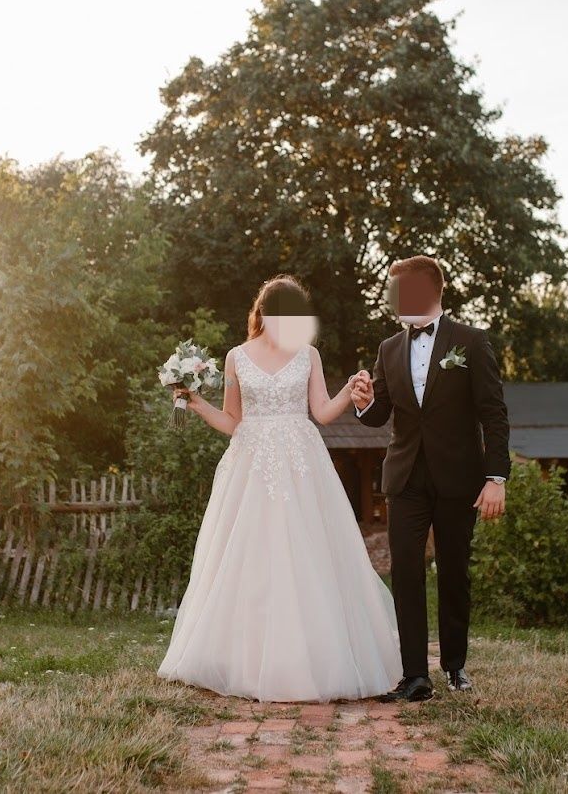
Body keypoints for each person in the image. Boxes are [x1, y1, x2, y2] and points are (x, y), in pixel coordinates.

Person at [156, 275, 403, 702]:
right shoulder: (236, 357)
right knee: (248, 559)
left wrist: (348, 391)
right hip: (250, 466)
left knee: (306, 556)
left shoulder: (308, 354)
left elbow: (322, 413)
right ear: (263, 312)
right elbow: (234, 421)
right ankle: (245, 662)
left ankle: (313, 659)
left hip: (301, 465)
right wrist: (198, 405)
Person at [351, 255, 511, 702]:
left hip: (460, 477)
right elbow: (380, 414)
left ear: (431, 291)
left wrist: (495, 477)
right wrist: (364, 401)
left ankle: (455, 665)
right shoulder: (388, 349)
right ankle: (414, 675)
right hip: (405, 476)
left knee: (455, 571)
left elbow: (493, 414)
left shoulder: (472, 342)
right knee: (404, 571)